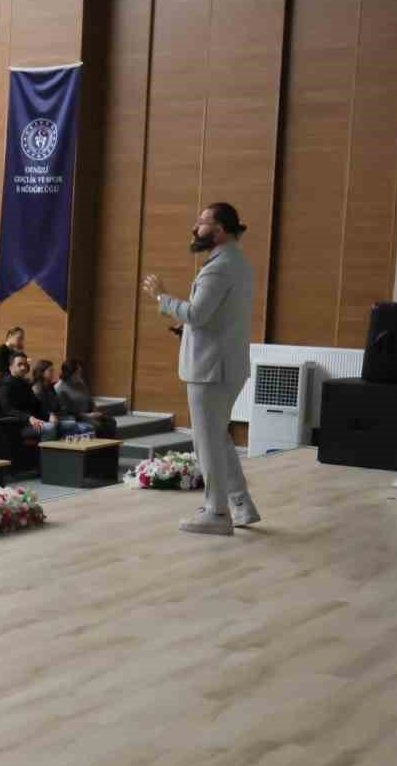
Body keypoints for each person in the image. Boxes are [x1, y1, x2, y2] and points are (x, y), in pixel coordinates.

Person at [143, 201, 259, 535]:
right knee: (218, 439)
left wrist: (163, 298)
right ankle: (241, 505)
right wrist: (189, 330)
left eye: (202, 221)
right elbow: (216, 317)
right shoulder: (238, 262)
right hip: (226, 363)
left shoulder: (219, 266)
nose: (196, 227)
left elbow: (197, 313)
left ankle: (217, 512)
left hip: (211, 370)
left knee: (207, 442)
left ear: (219, 229)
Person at [0, 353, 59, 443]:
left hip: (31, 421)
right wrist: (29, 418)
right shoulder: (6, 384)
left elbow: (37, 405)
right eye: (19, 364)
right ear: (11, 367)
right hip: (17, 426)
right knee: (50, 428)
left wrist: (49, 415)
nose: (23, 368)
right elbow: (8, 409)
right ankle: (47, 456)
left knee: (63, 424)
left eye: (25, 365)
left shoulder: (25, 383)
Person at [31, 358, 94, 438]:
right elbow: (41, 410)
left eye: (53, 370)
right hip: (47, 419)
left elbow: (58, 405)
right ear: (42, 373)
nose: (53, 373)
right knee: (76, 424)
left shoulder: (50, 386)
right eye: (50, 371)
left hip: (58, 416)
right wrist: (54, 414)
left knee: (83, 424)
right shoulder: (37, 389)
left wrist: (61, 410)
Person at [55, 359, 117, 437]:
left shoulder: (81, 383)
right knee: (98, 426)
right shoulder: (60, 388)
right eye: (78, 372)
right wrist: (88, 415)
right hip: (76, 417)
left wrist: (95, 410)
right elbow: (68, 411)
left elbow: (89, 399)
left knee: (110, 421)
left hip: (90, 414)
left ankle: (110, 447)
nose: (80, 373)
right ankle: (100, 448)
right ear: (70, 373)